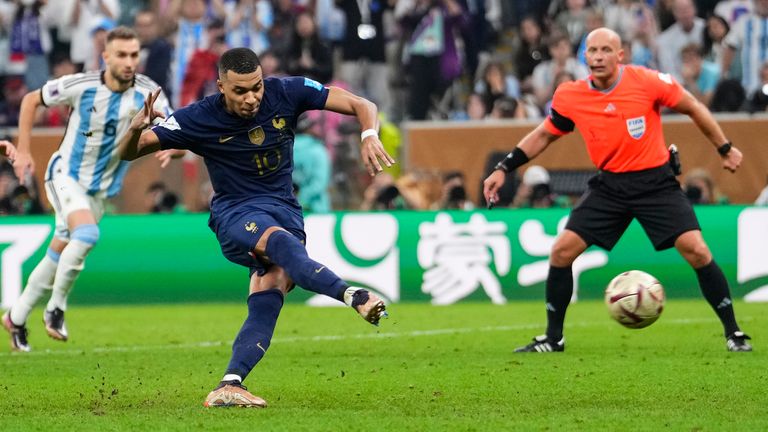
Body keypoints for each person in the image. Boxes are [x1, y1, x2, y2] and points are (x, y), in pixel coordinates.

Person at [117, 47, 395, 407]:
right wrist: (134, 128)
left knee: (270, 294)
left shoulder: (286, 92)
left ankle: (230, 384)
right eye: (240, 91)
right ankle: (352, 295)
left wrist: (368, 134)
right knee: (280, 245)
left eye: (256, 88)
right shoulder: (199, 117)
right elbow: (128, 152)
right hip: (236, 213)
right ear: (221, 86)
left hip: (285, 209)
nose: (251, 98)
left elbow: (361, 104)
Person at [483, 28, 753, 353]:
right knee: (561, 252)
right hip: (610, 186)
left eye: (605, 50)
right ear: (584, 56)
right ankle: (553, 339)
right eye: (592, 51)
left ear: (620, 55)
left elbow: (694, 106)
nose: (597, 57)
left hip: (655, 183)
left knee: (696, 250)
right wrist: (503, 168)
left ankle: (733, 333)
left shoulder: (647, 81)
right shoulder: (571, 95)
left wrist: (724, 147)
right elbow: (544, 134)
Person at [2, 27, 174, 353]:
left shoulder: (149, 92)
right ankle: (56, 308)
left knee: (59, 252)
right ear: (105, 57)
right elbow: (30, 100)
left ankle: (16, 317)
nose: (129, 62)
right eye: (121, 55)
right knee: (87, 235)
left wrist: (173, 148)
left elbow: (175, 128)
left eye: (134, 55)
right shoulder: (81, 85)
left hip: (99, 190)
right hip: (65, 174)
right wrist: (24, 150)